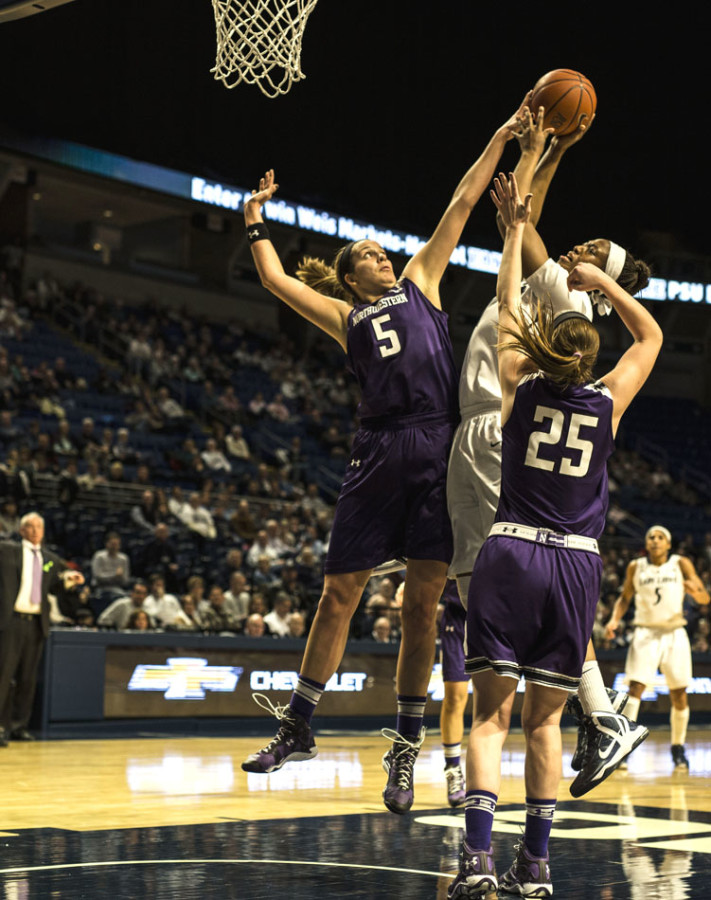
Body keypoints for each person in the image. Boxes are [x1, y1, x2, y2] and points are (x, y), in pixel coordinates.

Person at [240, 97, 529, 816]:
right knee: (339, 593)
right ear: (350, 277)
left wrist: (499, 134)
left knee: (422, 607)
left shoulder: (423, 279)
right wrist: (254, 219)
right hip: (377, 449)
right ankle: (298, 725)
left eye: (379, 249)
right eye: (366, 255)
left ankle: (404, 752)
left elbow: (464, 199)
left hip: (438, 445)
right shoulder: (345, 316)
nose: (380, 253)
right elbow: (275, 281)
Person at [447, 172, 662, 899]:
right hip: (574, 567)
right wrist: (609, 281)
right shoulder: (608, 401)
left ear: (541, 349)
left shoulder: (519, 384)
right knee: (542, 727)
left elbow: (508, 306)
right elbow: (651, 333)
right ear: (592, 355)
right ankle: (534, 868)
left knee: (489, 720)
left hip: (509, 551)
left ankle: (477, 860)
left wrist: (510, 232)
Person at [605, 525, 709, 770]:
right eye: (651, 537)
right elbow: (625, 597)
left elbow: (705, 598)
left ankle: (678, 747)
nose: (655, 540)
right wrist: (613, 619)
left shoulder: (681, 563)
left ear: (669, 544)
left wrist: (696, 592)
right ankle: (625, 747)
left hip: (674, 632)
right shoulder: (636, 566)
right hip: (645, 631)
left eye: (660, 537)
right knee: (635, 689)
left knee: (679, 693)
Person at [0, 512, 85, 744]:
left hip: (36, 624)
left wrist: (70, 580)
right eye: (31, 526)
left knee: (27, 679)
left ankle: (19, 726)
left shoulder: (50, 559)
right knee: (3, 676)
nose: (36, 530)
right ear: (22, 530)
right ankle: (1, 727)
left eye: (39, 526)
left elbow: (56, 585)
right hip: (11, 622)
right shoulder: (7, 550)